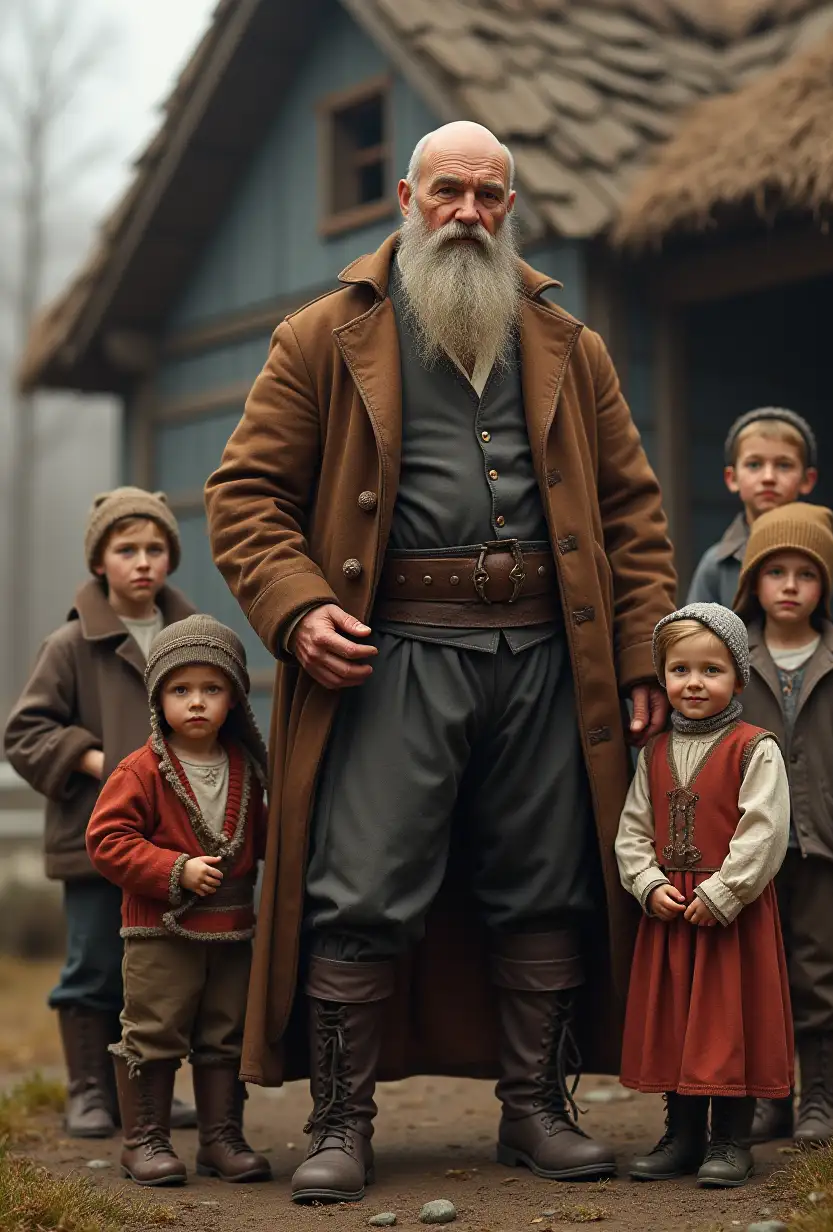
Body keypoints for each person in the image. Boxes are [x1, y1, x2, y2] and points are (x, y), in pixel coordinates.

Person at [204, 120, 677, 1204]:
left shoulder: (570, 345)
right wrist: (297, 605)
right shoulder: (323, 335)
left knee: (547, 880)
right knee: (359, 886)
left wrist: (643, 647)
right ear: (408, 198)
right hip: (390, 653)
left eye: (490, 196)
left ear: (512, 209)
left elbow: (631, 512)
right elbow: (243, 498)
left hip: (550, 658)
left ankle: (536, 1109)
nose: (469, 213)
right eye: (449, 191)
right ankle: (339, 1121)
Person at [4, 488, 197, 1138]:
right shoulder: (68, 644)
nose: (142, 562)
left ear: (170, 556)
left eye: (154, 548)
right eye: (126, 549)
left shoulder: (189, 637)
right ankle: (88, 1090)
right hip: (95, 840)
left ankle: (147, 1091)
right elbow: (24, 733)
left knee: (159, 971)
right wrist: (99, 762)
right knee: (94, 965)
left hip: (169, 844)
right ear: (99, 561)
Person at [732, 504, 833, 1145]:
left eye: (806, 572)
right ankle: (773, 1098)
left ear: (825, 586)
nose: (791, 584)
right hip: (751, 855)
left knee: (823, 973)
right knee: (757, 979)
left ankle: (820, 1104)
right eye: (776, 571)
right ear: (755, 582)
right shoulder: (733, 662)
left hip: (828, 850)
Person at [85, 615, 271, 1188]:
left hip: (234, 930)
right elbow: (106, 841)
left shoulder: (245, 766)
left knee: (226, 1032)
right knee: (154, 1028)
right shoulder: (140, 770)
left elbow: (267, 841)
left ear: (234, 697)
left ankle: (220, 1138)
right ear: (158, 696)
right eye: (180, 689)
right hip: (160, 930)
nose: (196, 703)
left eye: (212, 689)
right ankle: (144, 1139)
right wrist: (175, 869)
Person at [616, 603, 792, 1188]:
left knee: (728, 1019)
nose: (694, 683)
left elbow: (764, 828)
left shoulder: (754, 747)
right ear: (663, 676)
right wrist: (646, 882)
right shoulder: (654, 753)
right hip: (672, 909)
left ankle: (731, 1139)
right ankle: (683, 1135)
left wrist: (725, 891)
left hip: (728, 912)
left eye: (711, 670)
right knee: (676, 1019)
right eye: (681, 670)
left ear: (738, 677)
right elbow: (634, 829)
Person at [686, 408, 833, 676]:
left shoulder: (829, 561)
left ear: (807, 480)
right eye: (754, 464)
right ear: (732, 478)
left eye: (783, 465)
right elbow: (690, 648)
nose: (768, 477)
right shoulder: (717, 563)